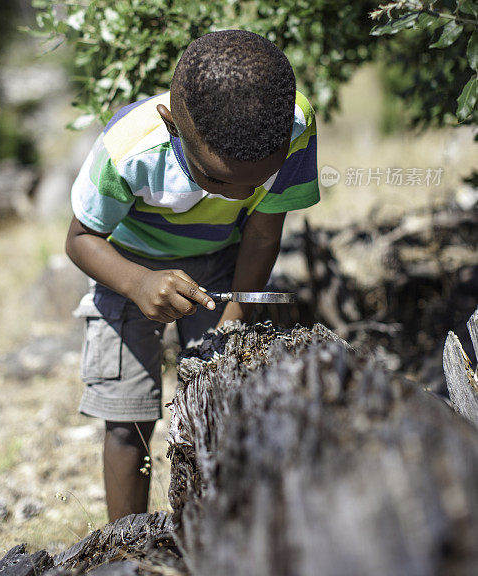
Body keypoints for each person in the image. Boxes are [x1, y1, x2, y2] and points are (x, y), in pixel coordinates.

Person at [66, 29, 320, 521]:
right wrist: (139, 283)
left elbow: (263, 235)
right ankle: (128, 552)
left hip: (227, 265)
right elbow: (80, 240)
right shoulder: (128, 149)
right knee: (127, 421)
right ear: (171, 125)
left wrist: (234, 316)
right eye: (218, 179)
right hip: (125, 265)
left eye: (255, 181)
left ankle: (220, 534)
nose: (235, 194)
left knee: (226, 404)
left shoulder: (292, 126)